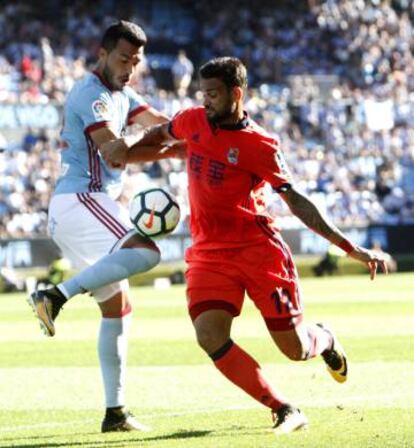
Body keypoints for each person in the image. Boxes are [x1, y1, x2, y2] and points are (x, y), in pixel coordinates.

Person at [102, 56, 388, 435]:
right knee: (209, 335)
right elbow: (163, 135)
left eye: (214, 94)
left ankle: (326, 338)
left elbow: (297, 199)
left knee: (295, 348)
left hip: (258, 251)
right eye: (203, 94)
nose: (206, 101)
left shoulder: (261, 144)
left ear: (236, 94)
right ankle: (283, 407)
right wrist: (127, 152)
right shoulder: (194, 119)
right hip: (208, 253)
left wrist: (349, 247)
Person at [27, 21, 183, 433]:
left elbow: (162, 122)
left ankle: (115, 413)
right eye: (123, 58)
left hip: (83, 207)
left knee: (118, 308)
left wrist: (195, 139)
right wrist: (171, 145)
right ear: (103, 53)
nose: (130, 67)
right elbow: (114, 152)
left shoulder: (123, 93)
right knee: (148, 251)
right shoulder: (90, 94)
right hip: (82, 200)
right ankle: (54, 295)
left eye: (136, 61)